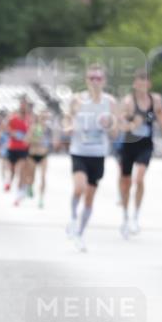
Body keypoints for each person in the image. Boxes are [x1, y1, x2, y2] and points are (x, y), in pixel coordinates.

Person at [65, 63, 119, 252]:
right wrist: (69, 128)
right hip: (79, 151)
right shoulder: (77, 99)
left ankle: (80, 233)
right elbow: (67, 121)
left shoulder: (110, 102)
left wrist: (109, 124)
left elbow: (115, 133)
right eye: (92, 78)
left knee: (89, 198)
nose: (95, 82)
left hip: (98, 154)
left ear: (104, 81)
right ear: (87, 81)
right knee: (79, 187)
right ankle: (72, 218)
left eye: (99, 78)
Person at [118, 69, 162, 237]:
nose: (141, 87)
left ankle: (135, 217)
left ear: (149, 84)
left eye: (145, 83)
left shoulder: (156, 100)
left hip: (145, 145)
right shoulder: (128, 102)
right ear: (134, 84)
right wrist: (131, 124)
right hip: (129, 145)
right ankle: (125, 216)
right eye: (139, 83)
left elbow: (161, 116)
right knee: (126, 182)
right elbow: (121, 121)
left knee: (139, 178)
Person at [5, 95, 31, 205]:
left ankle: (17, 196)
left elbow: (32, 132)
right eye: (22, 105)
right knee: (11, 170)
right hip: (12, 147)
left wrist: (28, 138)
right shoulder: (13, 118)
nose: (23, 107)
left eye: (25, 106)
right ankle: (9, 181)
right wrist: (13, 133)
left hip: (23, 149)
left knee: (19, 171)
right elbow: (6, 128)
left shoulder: (29, 120)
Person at [27, 108, 51, 208]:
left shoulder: (49, 129)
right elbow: (27, 139)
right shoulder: (34, 127)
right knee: (32, 177)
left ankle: (41, 199)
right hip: (33, 154)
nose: (44, 120)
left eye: (46, 118)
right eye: (43, 118)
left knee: (43, 177)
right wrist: (35, 139)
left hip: (44, 155)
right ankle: (30, 186)